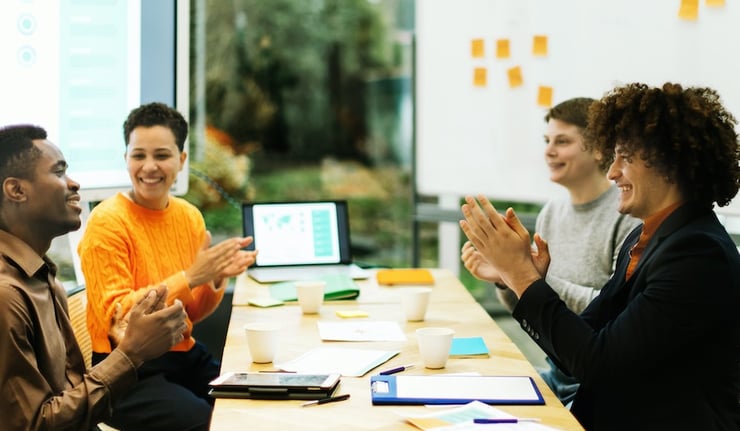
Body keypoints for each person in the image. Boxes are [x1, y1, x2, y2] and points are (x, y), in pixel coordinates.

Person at [460, 82, 740, 430]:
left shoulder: (698, 255)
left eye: (625, 156)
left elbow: (599, 365)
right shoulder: (647, 236)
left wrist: (523, 277)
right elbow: (576, 351)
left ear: (669, 161)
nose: (612, 171)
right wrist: (527, 279)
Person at [77, 103, 257, 431]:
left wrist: (214, 278)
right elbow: (119, 320)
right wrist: (191, 276)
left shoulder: (189, 216)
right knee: (211, 423)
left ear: (181, 161)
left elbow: (192, 313)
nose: (149, 167)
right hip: (126, 369)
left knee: (249, 405)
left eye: (161, 155)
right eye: (138, 155)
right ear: (126, 159)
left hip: (182, 355)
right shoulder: (106, 222)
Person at [0, 124, 188, 430]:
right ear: (17, 190)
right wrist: (130, 354)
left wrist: (128, 347)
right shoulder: (7, 294)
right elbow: (35, 425)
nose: (74, 184)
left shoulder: (43, 277)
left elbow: (69, 397)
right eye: (59, 173)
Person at [461, 97, 639, 405]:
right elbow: (538, 313)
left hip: (594, 386)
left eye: (563, 141)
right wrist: (507, 278)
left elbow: (613, 314)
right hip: (557, 373)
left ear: (599, 149)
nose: (548, 151)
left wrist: (525, 274)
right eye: (547, 141)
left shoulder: (627, 216)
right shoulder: (551, 213)